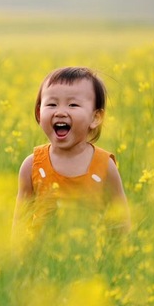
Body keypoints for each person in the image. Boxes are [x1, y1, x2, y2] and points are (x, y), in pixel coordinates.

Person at [13, 66, 130, 240]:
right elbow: (20, 223)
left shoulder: (105, 166)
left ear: (95, 117)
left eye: (73, 104)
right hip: (41, 262)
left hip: (91, 261)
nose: (60, 112)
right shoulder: (32, 166)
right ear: (39, 113)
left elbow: (120, 222)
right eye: (51, 104)